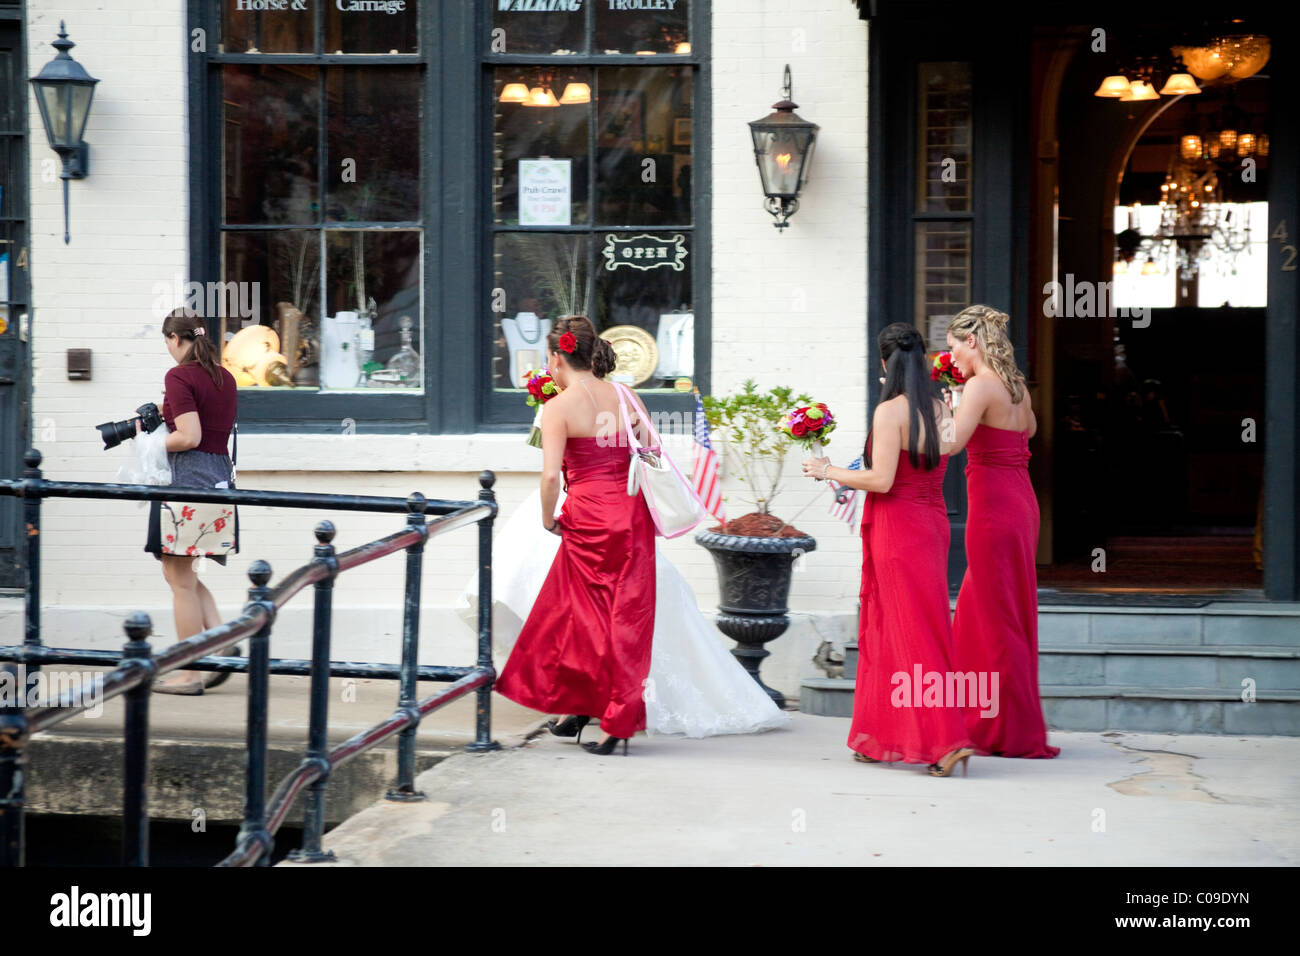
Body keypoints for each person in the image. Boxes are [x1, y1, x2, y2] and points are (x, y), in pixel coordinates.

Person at [802, 323, 974, 777]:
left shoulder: (890, 412)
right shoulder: (939, 407)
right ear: (921, 360)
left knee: (908, 632)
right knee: (910, 627)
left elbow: (881, 480)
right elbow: (949, 450)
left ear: (884, 363)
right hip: (932, 524)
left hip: (898, 528)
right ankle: (882, 738)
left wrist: (827, 469)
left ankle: (946, 741)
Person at [493, 316, 659, 755]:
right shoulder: (625, 395)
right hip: (630, 513)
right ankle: (594, 710)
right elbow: (653, 450)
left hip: (587, 516)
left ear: (555, 357)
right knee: (624, 615)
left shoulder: (558, 407)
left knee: (580, 616)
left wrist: (548, 519)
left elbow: (550, 477)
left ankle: (603, 719)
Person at [944, 305, 1059, 758]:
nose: (951, 357)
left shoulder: (978, 386)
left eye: (954, 347)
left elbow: (952, 443)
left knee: (992, 614)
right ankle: (1007, 723)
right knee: (1001, 608)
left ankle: (999, 728)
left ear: (972, 341)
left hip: (992, 509)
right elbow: (1027, 431)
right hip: (1021, 503)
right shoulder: (1016, 388)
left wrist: (932, 409)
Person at [145, 308, 239, 695]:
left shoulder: (179, 375)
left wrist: (147, 446)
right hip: (218, 477)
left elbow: (188, 436)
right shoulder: (225, 376)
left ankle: (189, 673)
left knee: (180, 579)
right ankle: (222, 643)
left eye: (166, 341)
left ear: (174, 339)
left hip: (187, 478)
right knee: (179, 573)